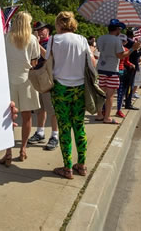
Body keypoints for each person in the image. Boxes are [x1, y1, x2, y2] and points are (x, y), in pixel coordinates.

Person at [46, 11, 95, 180]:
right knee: (79, 126)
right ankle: (81, 165)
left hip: (60, 89)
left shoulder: (53, 40)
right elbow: (92, 63)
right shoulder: (82, 40)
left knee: (65, 128)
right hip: (79, 88)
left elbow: (47, 65)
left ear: (59, 23)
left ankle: (67, 168)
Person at [0, 11, 40, 166]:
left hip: (9, 80)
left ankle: (8, 152)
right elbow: (35, 61)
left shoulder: (6, 38)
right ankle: (23, 148)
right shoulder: (33, 39)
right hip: (26, 80)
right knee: (27, 116)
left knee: (8, 117)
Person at [95, 19, 141, 124]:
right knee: (110, 95)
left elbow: (99, 49)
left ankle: (99, 115)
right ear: (117, 29)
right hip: (112, 70)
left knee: (101, 93)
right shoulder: (116, 40)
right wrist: (133, 49)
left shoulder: (101, 38)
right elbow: (121, 55)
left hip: (101, 68)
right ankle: (107, 117)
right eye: (120, 29)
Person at [27, 21, 59, 151]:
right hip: (37, 77)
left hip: (48, 78)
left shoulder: (52, 42)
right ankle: (40, 132)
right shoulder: (36, 42)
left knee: (52, 109)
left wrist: (37, 43)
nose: (40, 32)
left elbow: (47, 56)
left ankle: (55, 135)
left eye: (42, 29)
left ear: (48, 30)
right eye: (37, 30)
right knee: (40, 108)